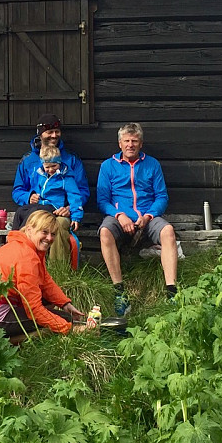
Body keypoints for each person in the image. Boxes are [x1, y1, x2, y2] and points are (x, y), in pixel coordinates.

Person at [96, 122, 178, 314]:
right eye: (126, 141)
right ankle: (119, 293)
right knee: (105, 232)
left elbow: (161, 196)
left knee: (168, 231)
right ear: (120, 144)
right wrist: (119, 215)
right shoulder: (108, 166)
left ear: (141, 144)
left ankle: (172, 292)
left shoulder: (152, 164)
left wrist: (149, 216)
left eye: (134, 141)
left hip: (148, 215)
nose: (130, 145)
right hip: (119, 216)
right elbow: (102, 200)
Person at [0, 210, 85, 340]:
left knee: (54, 308)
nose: (50, 238)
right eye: (44, 232)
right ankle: (16, 340)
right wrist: (68, 328)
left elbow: (45, 280)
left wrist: (65, 304)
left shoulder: (25, 246)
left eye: (53, 234)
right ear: (29, 229)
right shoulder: (27, 257)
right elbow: (33, 309)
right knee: (64, 319)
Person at [11, 113, 89, 229]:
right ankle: (15, 243)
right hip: (35, 207)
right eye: (49, 132)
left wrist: (69, 208)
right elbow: (17, 190)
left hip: (59, 210)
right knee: (22, 214)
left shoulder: (71, 159)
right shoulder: (28, 160)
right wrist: (28, 197)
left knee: (41, 223)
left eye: (57, 131)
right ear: (40, 134)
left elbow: (82, 191)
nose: (54, 135)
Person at [20, 144, 84, 266]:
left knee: (55, 224)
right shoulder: (41, 174)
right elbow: (37, 189)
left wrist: (76, 216)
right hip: (41, 207)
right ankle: (17, 248)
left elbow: (75, 196)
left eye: (54, 166)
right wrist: (33, 195)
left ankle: (57, 267)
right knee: (22, 212)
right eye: (47, 167)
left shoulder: (65, 178)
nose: (50, 170)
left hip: (56, 209)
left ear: (59, 163)